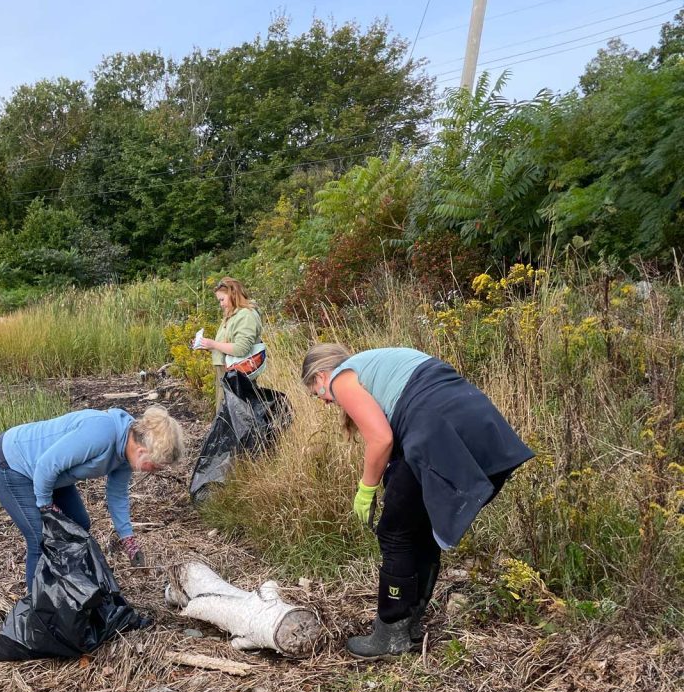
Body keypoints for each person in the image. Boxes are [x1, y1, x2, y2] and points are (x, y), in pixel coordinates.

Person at [300, 343, 534, 659]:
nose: (326, 402)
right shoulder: (378, 363)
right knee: (419, 527)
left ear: (322, 375)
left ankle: (391, 633)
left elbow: (381, 439)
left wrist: (365, 489)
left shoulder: (342, 377)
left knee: (395, 532)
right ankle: (409, 622)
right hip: (473, 422)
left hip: (434, 427)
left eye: (318, 393)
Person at [0, 405, 185, 588]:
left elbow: (117, 496)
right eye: (156, 466)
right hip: (12, 464)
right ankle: (36, 613)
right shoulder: (101, 432)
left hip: (52, 476)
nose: (154, 471)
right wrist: (45, 506)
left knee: (79, 524)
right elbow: (46, 465)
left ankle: (68, 595)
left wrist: (128, 539)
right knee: (42, 538)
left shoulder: (126, 455)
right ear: (142, 451)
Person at [195, 276, 267, 392]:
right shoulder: (232, 314)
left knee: (235, 408)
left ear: (233, 294)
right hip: (229, 373)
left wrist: (213, 344)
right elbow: (226, 344)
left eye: (222, 299)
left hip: (237, 375)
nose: (221, 304)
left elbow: (241, 349)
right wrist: (205, 345)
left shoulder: (246, 315)